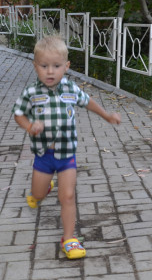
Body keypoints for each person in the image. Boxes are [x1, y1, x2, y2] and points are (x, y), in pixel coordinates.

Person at [12, 36, 121, 259]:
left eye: (56, 66)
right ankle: (44, 188)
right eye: (44, 66)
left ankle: (69, 239)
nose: (50, 71)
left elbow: (88, 102)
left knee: (68, 196)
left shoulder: (71, 89)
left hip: (66, 155)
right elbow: (18, 114)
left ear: (66, 66)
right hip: (43, 155)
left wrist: (107, 115)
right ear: (35, 66)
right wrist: (30, 126)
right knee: (37, 195)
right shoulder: (31, 93)